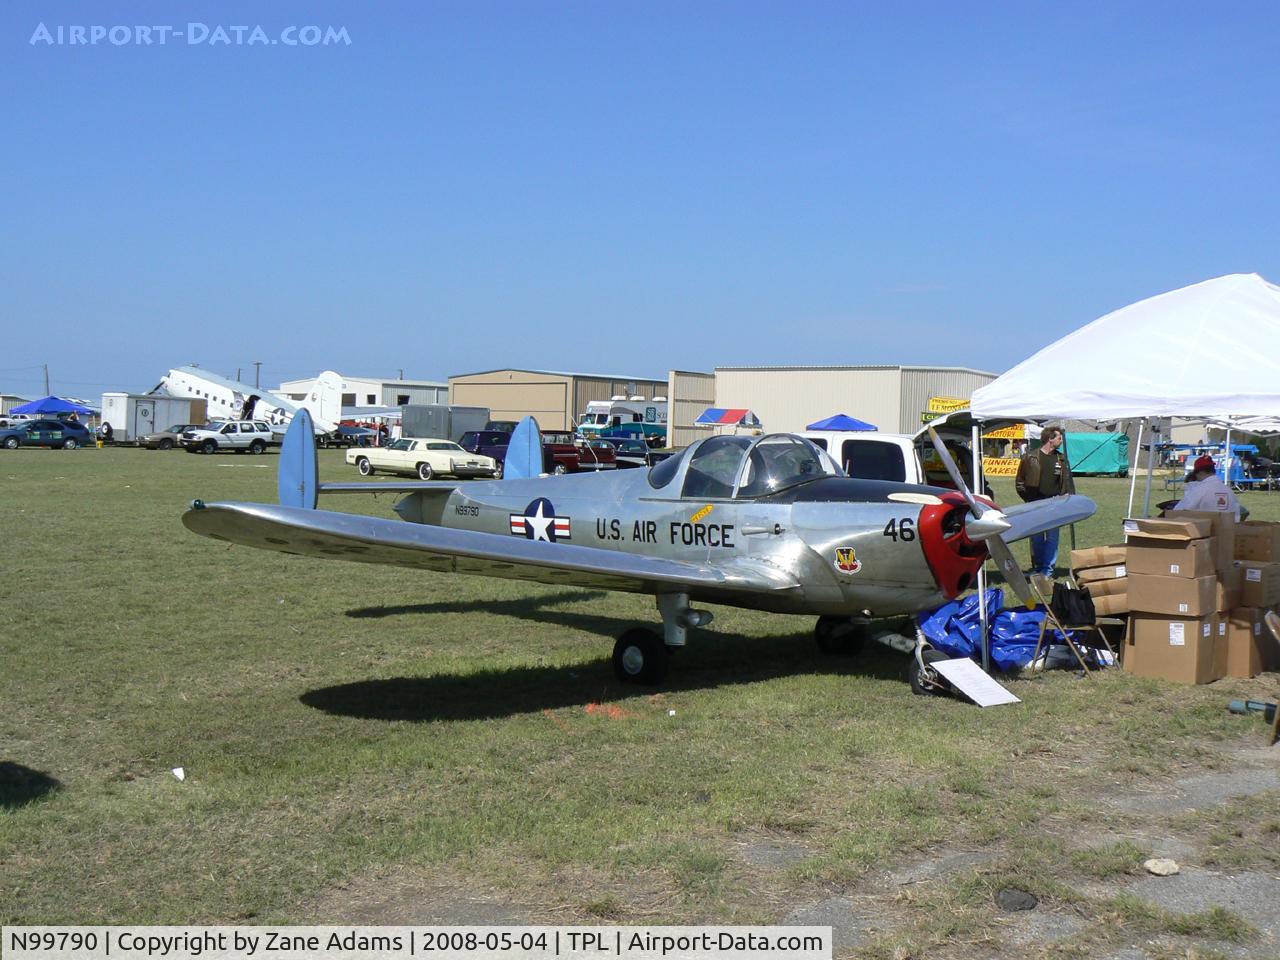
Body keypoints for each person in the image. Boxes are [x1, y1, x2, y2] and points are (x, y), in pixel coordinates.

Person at [1015, 425, 1075, 577]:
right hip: (1035, 503)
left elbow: (1067, 482)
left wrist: (1067, 498)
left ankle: (1047, 570)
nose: (1061, 441)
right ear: (1050, 439)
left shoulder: (1061, 459)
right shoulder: (1030, 457)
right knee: (1036, 538)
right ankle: (1038, 568)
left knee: (1052, 538)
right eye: (1059, 438)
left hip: (1055, 504)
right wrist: (1029, 498)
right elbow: (1020, 481)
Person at [1173, 455, 1243, 520]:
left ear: (1200, 472)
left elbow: (1177, 512)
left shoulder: (1199, 490)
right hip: (1228, 531)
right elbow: (1237, 516)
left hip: (1204, 531)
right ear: (1213, 470)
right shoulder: (1229, 491)